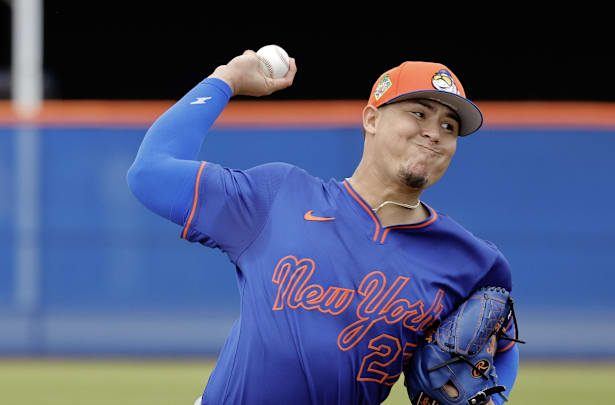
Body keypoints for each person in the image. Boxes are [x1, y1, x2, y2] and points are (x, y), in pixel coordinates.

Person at [127, 49, 519, 405]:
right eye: (419, 113)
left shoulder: (470, 262)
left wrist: (491, 399)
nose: (435, 132)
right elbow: (150, 174)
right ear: (372, 119)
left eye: (450, 126)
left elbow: (498, 348)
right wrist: (225, 79)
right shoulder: (277, 196)